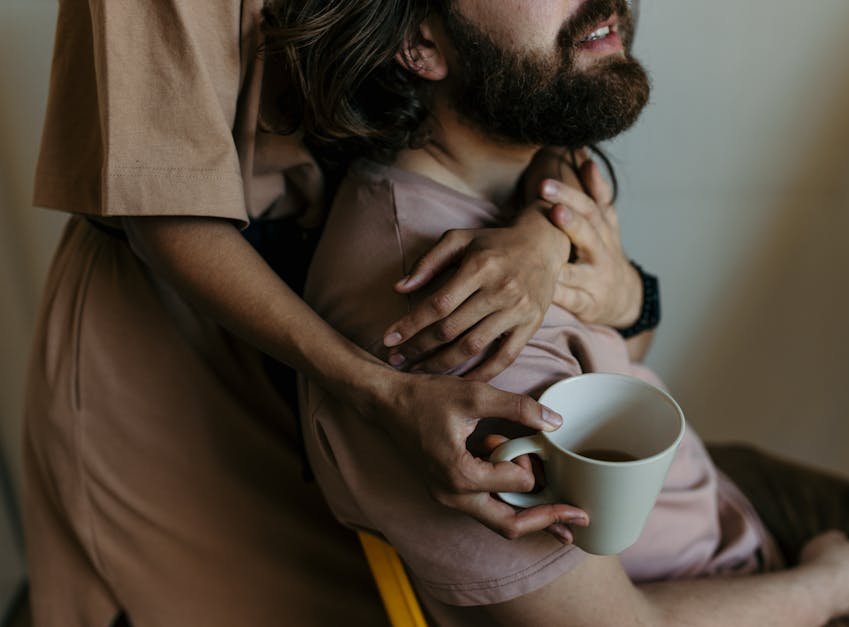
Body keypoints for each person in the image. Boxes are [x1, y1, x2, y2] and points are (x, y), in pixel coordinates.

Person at [23, 1, 643, 625]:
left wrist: (542, 237)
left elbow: (529, 74)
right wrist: (380, 392)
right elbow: (165, 216)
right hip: (181, 321)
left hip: (347, 262)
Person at [284, 0, 849, 625]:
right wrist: (830, 589)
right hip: (700, 587)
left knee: (846, 504)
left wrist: (605, 279)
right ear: (421, 45)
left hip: (702, 509)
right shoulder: (462, 326)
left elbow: (620, 351)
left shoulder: (525, 183)